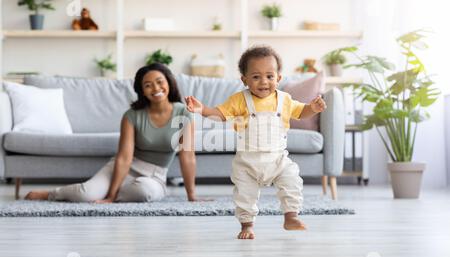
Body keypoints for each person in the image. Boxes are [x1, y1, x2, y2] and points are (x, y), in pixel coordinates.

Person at [185, 45, 327, 239]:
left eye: (269, 76)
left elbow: (301, 112)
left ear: (278, 78)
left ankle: (291, 215)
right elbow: (221, 114)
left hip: (278, 160)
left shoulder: (284, 100)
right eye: (256, 76)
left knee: (292, 180)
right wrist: (203, 110)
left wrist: (313, 108)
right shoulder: (239, 100)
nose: (263, 82)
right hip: (247, 162)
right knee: (245, 195)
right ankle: (247, 225)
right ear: (244, 80)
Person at [26, 63, 199, 203]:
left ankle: (109, 193)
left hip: (154, 177)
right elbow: (124, 157)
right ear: (142, 91)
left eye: (160, 81)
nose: (155, 88)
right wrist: (111, 195)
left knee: (143, 192)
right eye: (148, 85)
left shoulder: (183, 113)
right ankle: (51, 194)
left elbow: (187, 156)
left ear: (169, 82)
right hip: (123, 168)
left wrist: (192, 196)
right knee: (85, 195)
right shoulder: (132, 116)